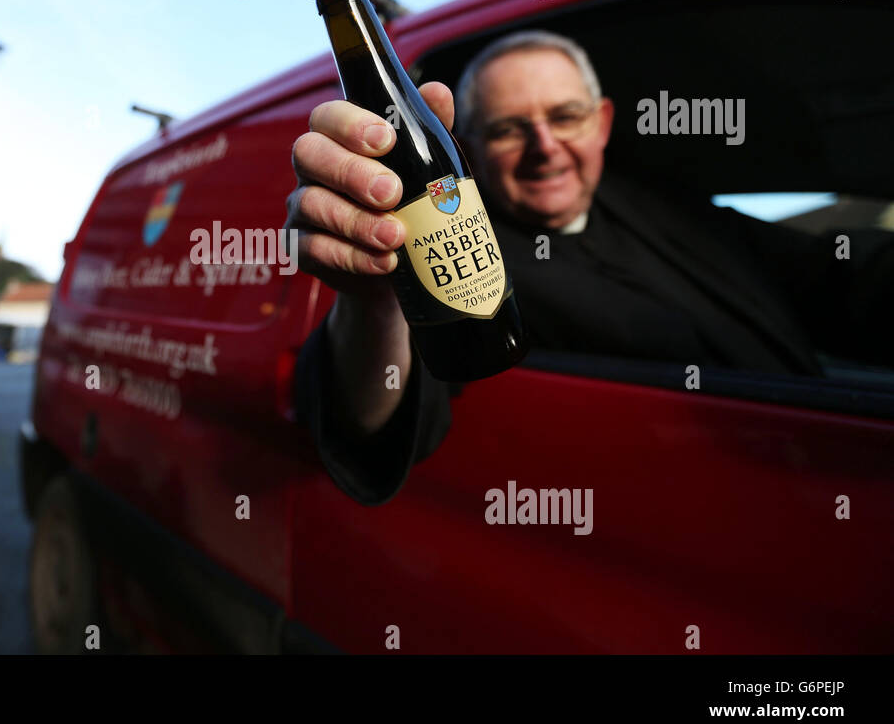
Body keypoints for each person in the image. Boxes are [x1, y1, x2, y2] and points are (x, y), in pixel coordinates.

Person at [285, 29, 894, 505]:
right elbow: (376, 420)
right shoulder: (466, 250)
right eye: (508, 129)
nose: (545, 147)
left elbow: (837, 279)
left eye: (566, 117)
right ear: (464, 145)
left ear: (601, 123)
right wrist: (376, 297)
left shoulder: (672, 211)